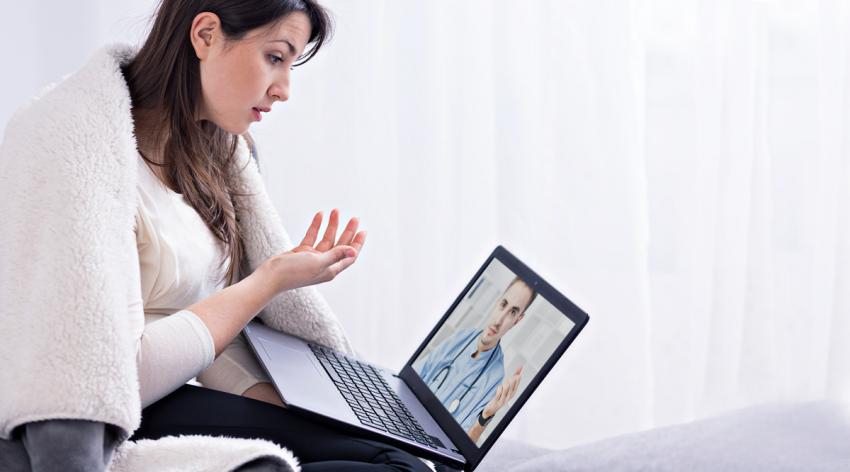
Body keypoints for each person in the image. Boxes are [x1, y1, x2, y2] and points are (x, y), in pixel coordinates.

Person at [0, 0, 437, 471]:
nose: (285, 89)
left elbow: (205, 319)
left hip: (171, 394)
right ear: (206, 35)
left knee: (411, 455)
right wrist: (267, 282)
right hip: (115, 415)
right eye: (275, 57)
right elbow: (102, 375)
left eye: (292, 64)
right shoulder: (77, 152)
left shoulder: (215, 154)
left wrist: (281, 405)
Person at [417, 277, 537, 443]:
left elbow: (465, 445)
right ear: (497, 301)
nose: (498, 321)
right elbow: (415, 375)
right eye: (503, 305)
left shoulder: (495, 378)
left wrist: (486, 416)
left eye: (513, 312)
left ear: (518, 320)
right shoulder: (460, 338)